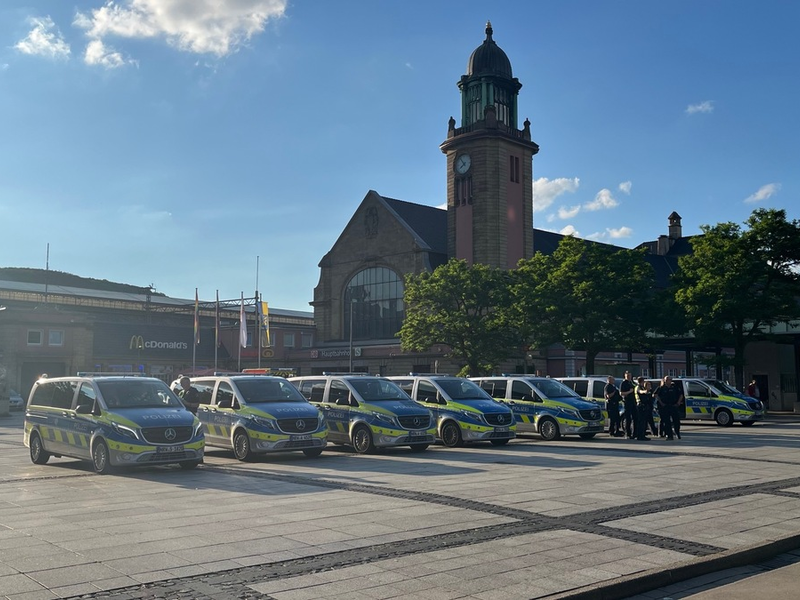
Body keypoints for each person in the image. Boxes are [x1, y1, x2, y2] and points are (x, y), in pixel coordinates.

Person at [654, 376, 683, 440]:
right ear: (664, 380)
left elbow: (681, 395)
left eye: (669, 379)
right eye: (667, 380)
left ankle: (677, 433)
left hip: (673, 405)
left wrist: (678, 402)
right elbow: (655, 394)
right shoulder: (661, 388)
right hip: (665, 406)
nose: (668, 381)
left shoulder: (674, 387)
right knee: (667, 422)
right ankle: (669, 435)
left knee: (676, 421)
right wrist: (661, 403)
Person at [620, 371, 637, 439]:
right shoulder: (623, 383)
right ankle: (627, 433)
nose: (629, 377)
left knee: (635, 417)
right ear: (625, 376)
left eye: (629, 376)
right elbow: (621, 393)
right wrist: (629, 391)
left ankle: (635, 433)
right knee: (628, 418)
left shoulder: (632, 383)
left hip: (633, 402)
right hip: (627, 402)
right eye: (627, 376)